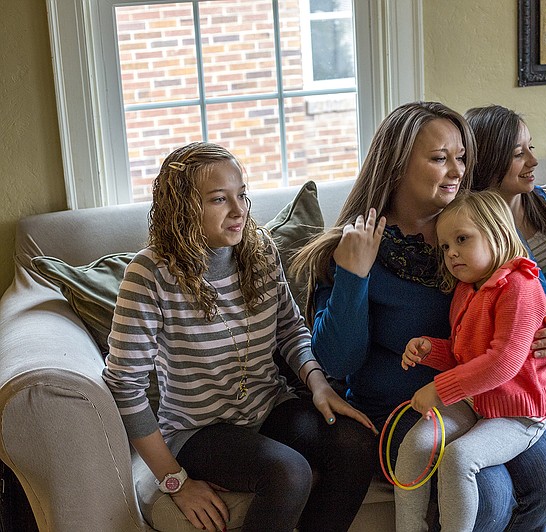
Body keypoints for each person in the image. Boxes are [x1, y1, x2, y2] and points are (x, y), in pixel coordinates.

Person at [291, 101, 546, 531]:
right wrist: (354, 276)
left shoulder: (479, 222)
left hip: (493, 395)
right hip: (407, 406)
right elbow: (338, 361)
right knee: (490, 493)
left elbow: (536, 294)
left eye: (461, 158)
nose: (457, 170)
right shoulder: (357, 243)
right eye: (439, 158)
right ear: (396, 165)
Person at [102, 142, 376, 532]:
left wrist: (318, 385)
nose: (239, 210)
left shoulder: (261, 251)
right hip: (198, 430)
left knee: (356, 445)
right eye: (219, 199)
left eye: (242, 194)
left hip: (268, 406)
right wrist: (174, 481)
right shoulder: (148, 275)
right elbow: (124, 386)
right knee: (290, 472)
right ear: (182, 208)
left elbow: (289, 328)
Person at [396, 190, 546, 531]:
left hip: (519, 414)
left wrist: (439, 390)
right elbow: (462, 353)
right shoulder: (467, 290)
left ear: (497, 232)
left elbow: (503, 363)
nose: (451, 252)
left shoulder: (521, 286)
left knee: (459, 458)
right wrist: (430, 350)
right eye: (445, 246)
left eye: (462, 239)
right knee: (415, 445)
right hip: (478, 401)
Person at [465, 104, 546, 287]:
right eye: (519, 154)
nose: (534, 161)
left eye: (531, 146)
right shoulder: (468, 233)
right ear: (487, 161)